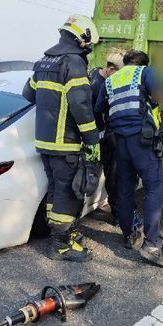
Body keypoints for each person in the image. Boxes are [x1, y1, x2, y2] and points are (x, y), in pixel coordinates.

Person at [95, 50, 163, 267]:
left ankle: (128, 234)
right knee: (154, 188)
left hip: (119, 141)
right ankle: (151, 245)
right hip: (142, 140)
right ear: (142, 64)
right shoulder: (144, 72)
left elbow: (99, 107)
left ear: (126, 63)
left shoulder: (110, 81)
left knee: (125, 188)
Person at [22, 15, 101, 262]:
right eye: (89, 44)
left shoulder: (43, 62)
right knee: (68, 193)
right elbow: (81, 105)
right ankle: (61, 245)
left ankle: (62, 234)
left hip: (44, 142)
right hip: (65, 142)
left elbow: (28, 94)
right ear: (83, 38)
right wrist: (92, 141)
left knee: (56, 191)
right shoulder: (74, 63)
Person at [89, 50, 126, 226]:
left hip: (95, 134)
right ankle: (117, 213)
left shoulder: (93, 75)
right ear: (111, 69)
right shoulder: (101, 85)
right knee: (113, 174)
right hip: (100, 136)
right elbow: (98, 111)